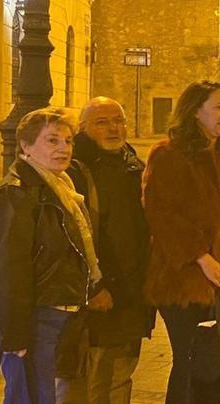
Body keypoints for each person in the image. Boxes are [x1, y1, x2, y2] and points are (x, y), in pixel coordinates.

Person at [142, 81, 220, 403]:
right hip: (186, 285)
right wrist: (200, 256)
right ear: (195, 111)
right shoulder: (169, 156)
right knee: (193, 365)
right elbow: (162, 214)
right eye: (219, 107)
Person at [0, 108, 101, 404]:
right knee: (31, 397)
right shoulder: (16, 195)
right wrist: (15, 332)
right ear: (26, 145)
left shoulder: (61, 188)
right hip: (29, 314)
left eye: (68, 141)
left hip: (51, 311)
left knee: (39, 393)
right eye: (52, 140)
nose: (63, 148)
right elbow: (9, 267)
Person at [57, 98, 153, 404]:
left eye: (118, 120)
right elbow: (68, 239)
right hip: (95, 297)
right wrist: (93, 286)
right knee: (87, 377)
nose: (113, 128)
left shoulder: (132, 164)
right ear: (82, 129)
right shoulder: (73, 171)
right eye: (102, 122)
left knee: (120, 372)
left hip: (131, 291)